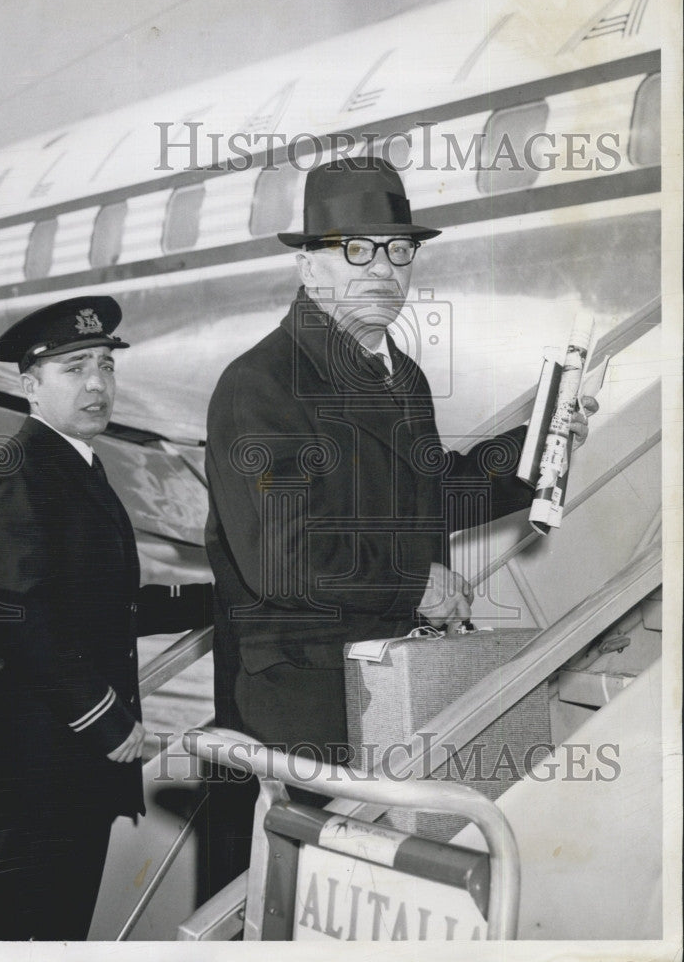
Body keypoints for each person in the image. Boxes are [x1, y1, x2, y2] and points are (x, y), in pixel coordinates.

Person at [203, 157, 597, 881]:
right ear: (309, 265)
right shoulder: (259, 385)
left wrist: (533, 450)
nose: (383, 269)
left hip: (395, 690)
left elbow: (423, 500)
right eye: (356, 249)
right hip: (308, 710)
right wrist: (412, 585)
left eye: (399, 250)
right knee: (327, 902)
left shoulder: (399, 374)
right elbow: (281, 560)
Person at [0, 296, 212, 941]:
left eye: (105, 365)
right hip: (27, 767)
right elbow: (18, 612)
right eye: (73, 368)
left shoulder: (76, 466)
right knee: (5, 940)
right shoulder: (21, 469)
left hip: (65, 768)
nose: (96, 383)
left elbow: (103, 609)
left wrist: (221, 599)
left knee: (59, 937)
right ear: (29, 385)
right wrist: (105, 719)